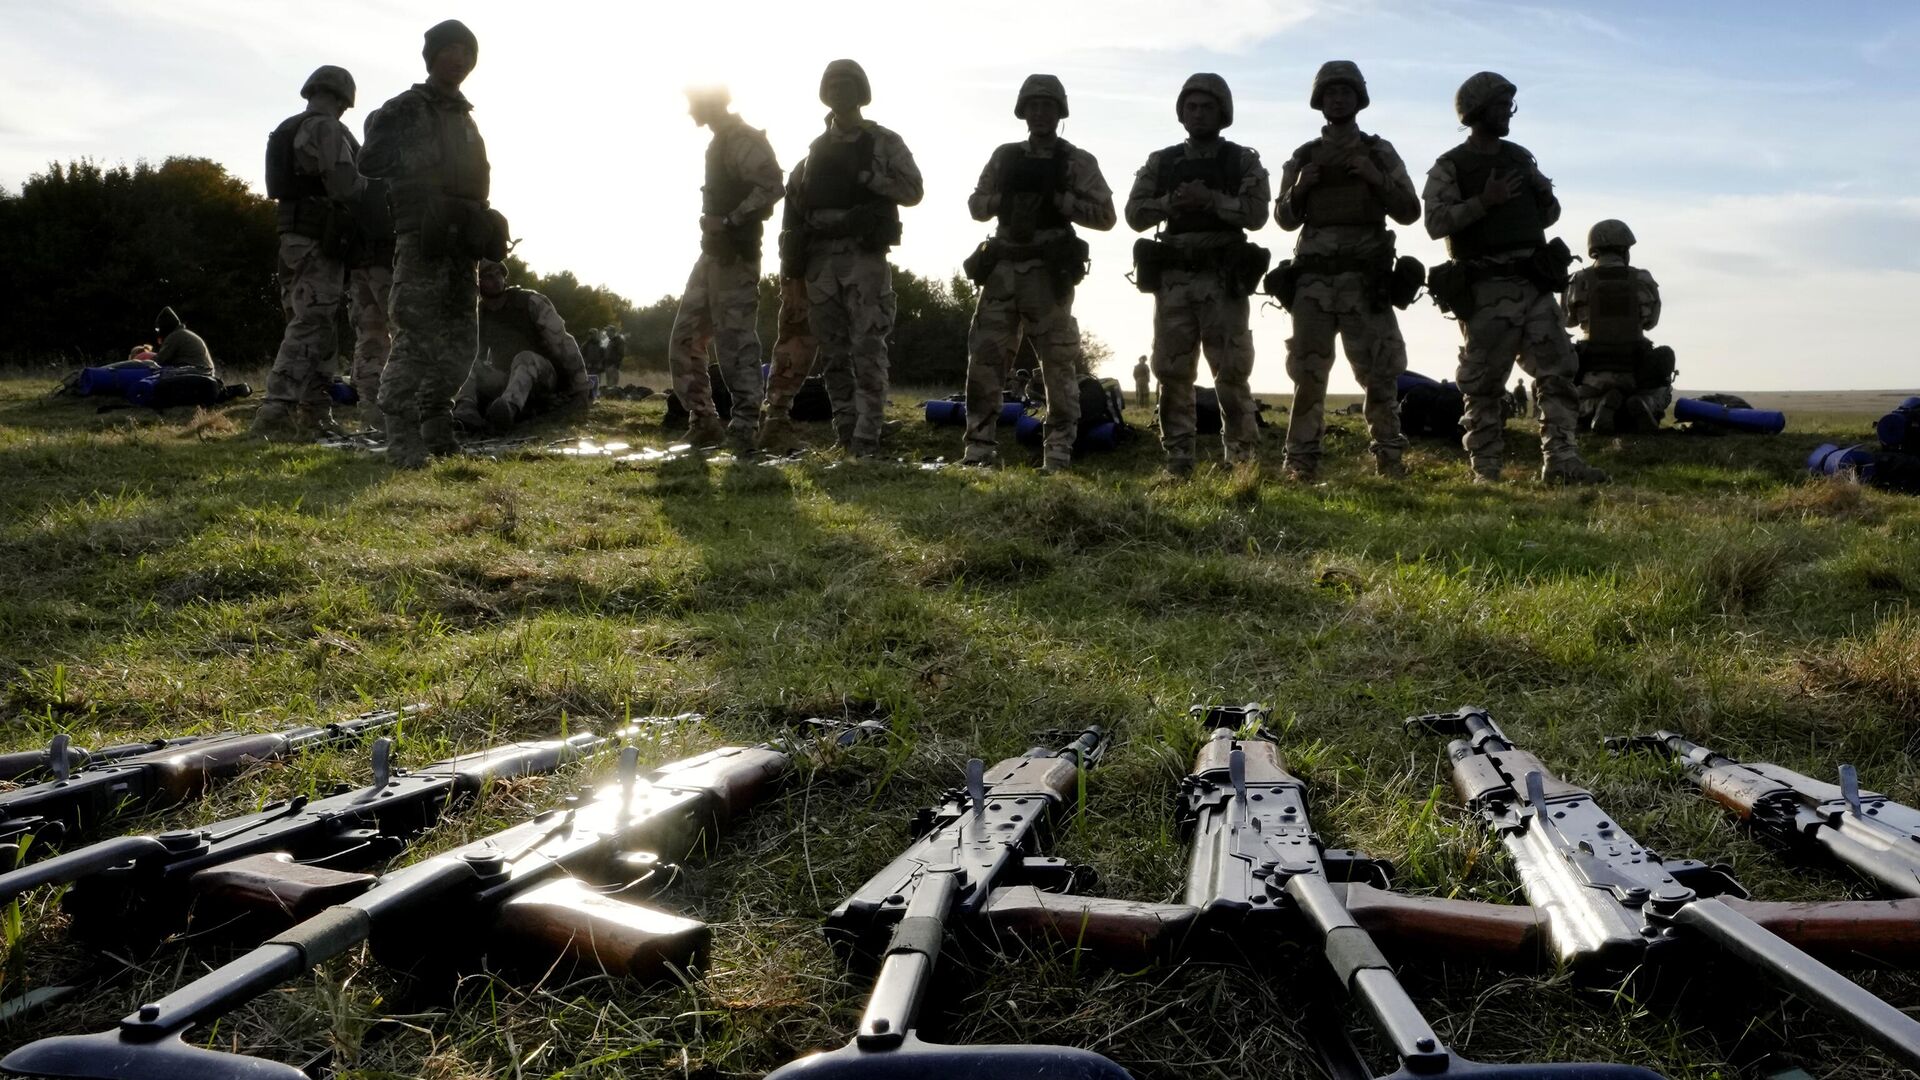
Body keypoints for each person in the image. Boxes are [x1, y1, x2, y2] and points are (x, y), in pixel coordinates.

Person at [1422, 72, 1607, 485]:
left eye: (1510, 106)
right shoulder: (1451, 166)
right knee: (1484, 383)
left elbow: (1546, 215)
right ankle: (1485, 470)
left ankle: (1561, 460)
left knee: (1558, 370)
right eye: (1501, 106)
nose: (1508, 114)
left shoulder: (1520, 158)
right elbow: (1435, 223)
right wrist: (1484, 202)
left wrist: (1543, 197)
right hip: (1488, 289)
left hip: (1534, 284)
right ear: (1476, 111)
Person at [959, 74, 1116, 471]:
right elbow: (976, 206)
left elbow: (1106, 216)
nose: (1040, 113)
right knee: (985, 359)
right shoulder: (1004, 156)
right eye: (1033, 105)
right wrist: (1003, 199)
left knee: (1058, 365)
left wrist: (1060, 201)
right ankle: (978, 450)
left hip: (1047, 274)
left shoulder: (1075, 160)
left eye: (1048, 106)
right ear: (1023, 111)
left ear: (1059, 112)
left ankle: (1058, 453)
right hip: (1003, 268)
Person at [359, 19, 495, 469]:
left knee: (462, 344)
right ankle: (400, 437)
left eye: (467, 52)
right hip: (422, 239)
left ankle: (437, 429)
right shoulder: (405, 107)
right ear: (432, 56)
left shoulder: (466, 118)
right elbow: (370, 160)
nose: (459, 59)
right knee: (416, 338)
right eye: (450, 50)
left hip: (463, 243)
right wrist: (418, 159)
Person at [1273, 61, 1418, 481]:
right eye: (1331, 93)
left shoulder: (1379, 151)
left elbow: (1409, 210)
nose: (1338, 99)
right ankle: (1300, 461)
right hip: (1314, 282)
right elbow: (1282, 218)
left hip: (1365, 279)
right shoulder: (1303, 156)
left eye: (1346, 92)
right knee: (1308, 374)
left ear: (1359, 99)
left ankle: (1389, 459)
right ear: (1320, 100)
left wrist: (1375, 179)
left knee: (1380, 373)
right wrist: (1300, 188)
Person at [1125, 73, 1270, 476]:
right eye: (1192, 106)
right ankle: (1178, 459)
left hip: (1222, 279)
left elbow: (1257, 213)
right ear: (1181, 112)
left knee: (1232, 371)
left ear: (1223, 112)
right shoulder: (1163, 162)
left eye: (1207, 106)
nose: (1199, 113)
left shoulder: (1242, 160)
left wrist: (1212, 200)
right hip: (1174, 279)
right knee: (1171, 372)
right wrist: (1171, 203)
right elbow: (1135, 214)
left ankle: (1241, 460)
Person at [780, 59, 923, 458]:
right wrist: (790, 266)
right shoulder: (812, 153)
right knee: (833, 352)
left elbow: (913, 190)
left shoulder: (883, 142)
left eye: (847, 85)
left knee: (868, 347)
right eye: (833, 86)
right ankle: (845, 430)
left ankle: (868, 434)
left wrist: (869, 180)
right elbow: (793, 209)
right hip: (820, 260)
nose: (840, 92)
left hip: (862, 256)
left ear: (861, 92)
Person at [667, 86, 784, 451]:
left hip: (736, 258)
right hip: (713, 256)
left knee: (735, 344)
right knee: (684, 340)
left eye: (693, 104)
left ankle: (746, 426)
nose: (690, 111)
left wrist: (732, 221)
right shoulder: (720, 142)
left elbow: (772, 186)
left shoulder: (743, 140)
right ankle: (703, 422)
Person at [252, 65, 362, 440]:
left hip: (292, 237)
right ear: (344, 98)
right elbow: (345, 184)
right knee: (313, 322)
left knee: (317, 325)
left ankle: (315, 413)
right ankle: (276, 410)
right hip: (317, 238)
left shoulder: (286, 128)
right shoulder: (326, 128)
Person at [452, 258, 592, 432]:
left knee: (524, 357)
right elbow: (473, 355)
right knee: (467, 363)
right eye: (488, 276)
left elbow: (564, 344)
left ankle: (506, 411)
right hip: (507, 378)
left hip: (543, 377)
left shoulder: (531, 303)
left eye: (498, 274)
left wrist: (580, 389)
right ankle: (466, 411)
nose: (496, 280)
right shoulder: (480, 314)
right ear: (478, 283)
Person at [1566, 219, 1674, 433]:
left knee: (1566, 402)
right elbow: (1651, 322)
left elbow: (1568, 320)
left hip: (1590, 374)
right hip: (1635, 371)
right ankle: (1645, 404)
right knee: (1662, 381)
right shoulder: (1642, 279)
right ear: (1624, 250)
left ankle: (1597, 406)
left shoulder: (1578, 280)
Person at [152, 307, 215, 375]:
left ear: (164, 327)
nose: (158, 332)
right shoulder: (183, 333)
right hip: (206, 371)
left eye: (158, 329)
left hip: (197, 371)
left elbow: (160, 360)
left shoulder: (174, 336)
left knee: (161, 378)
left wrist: (145, 360)